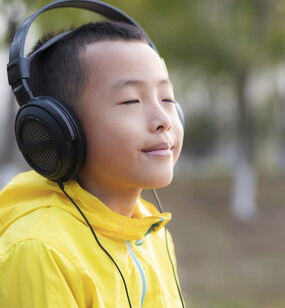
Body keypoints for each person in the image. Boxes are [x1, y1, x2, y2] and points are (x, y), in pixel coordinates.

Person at [0, 18, 185, 307]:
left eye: (168, 98)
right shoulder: (41, 250)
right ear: (59, 128)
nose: (163, 120)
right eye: (131, 101)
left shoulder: (151, 235)